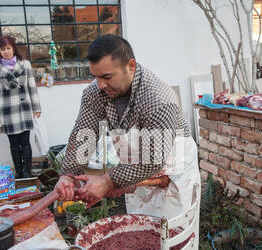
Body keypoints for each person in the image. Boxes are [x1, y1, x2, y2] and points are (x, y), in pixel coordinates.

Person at [55, 34, 200, 220]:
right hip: (135, 164)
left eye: (107, 77)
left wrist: (107, 181)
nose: (100, 85)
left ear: (131, 67)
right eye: (96, 77)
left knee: (172, 231)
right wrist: (68, 175)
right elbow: (84, 135)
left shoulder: (159, 99)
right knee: (139, 224)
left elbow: (152, 160)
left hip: (173, 164)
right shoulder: (95, 93)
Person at [0, 35, 41, 179]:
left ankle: (27, 172)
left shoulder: (25, 65)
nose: (6, 51)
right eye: (3, 49)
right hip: (7, 110)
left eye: (8, 48)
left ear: (13, 48)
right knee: (14, 144)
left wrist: (37, 108)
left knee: (25, 142)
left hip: (23, 109)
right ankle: (19, 172)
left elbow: (32, 87)